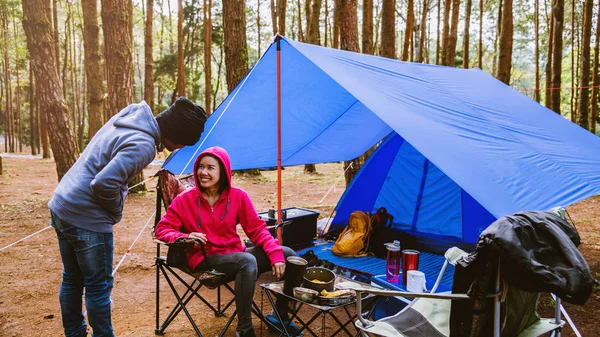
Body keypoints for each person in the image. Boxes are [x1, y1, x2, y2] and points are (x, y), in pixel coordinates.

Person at [48, 97, 207, 337]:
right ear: (175, 135)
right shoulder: (143, 145)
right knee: (98, 287)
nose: (181, 148)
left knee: (72, 278)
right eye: (183, 143)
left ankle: (75, 333)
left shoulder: (132, 116)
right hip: (86, 217)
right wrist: (114, 211)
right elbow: (104, 183)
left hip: (63, 203)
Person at [154, 146, 301, 337]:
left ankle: (280, 316)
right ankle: (245, 329)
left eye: (210, 167)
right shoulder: (185, 199)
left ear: (223, 171)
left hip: (234, 254)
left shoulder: (238, 196)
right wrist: (184, 237)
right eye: (200, 166)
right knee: (246, 261)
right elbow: (161, 229)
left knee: (288, 255)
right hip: (204, 259)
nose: (203, 172)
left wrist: (275, 254)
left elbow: (257, 229)